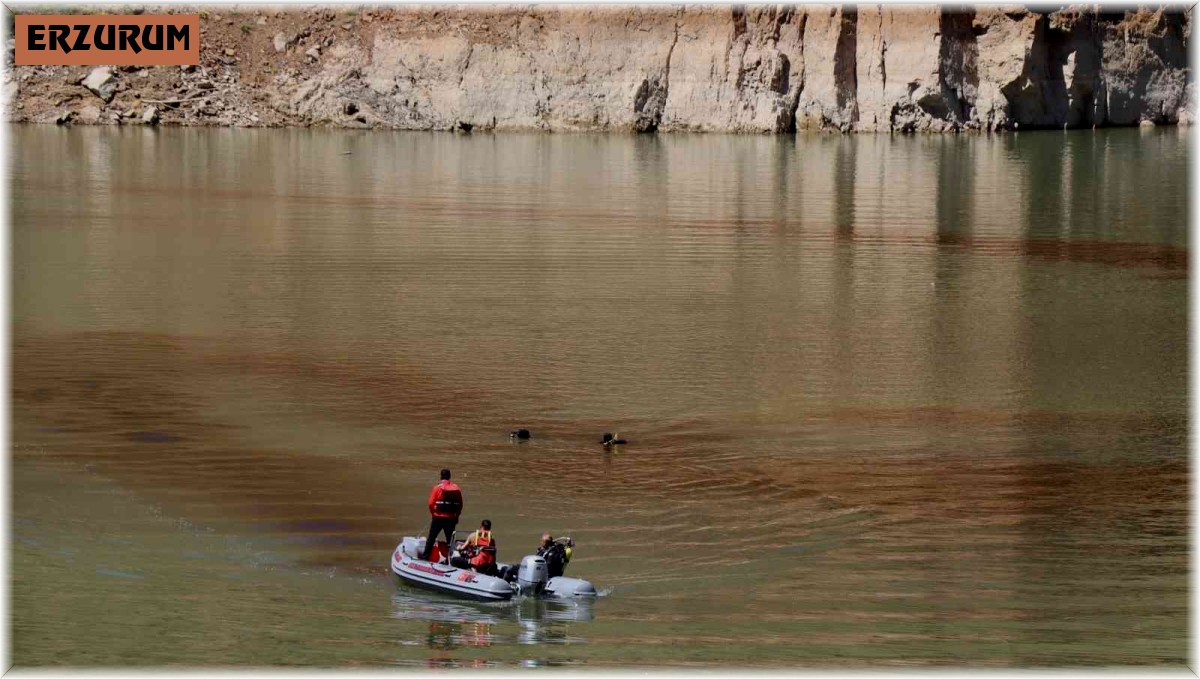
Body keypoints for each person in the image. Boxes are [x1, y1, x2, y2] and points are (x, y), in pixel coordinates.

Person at [422, 468, 463, 562]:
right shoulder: (456, 488)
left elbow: (431, 503)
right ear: (450, 477)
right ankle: (451, 560)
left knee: (431, 538)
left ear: (441, 476)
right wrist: (457, 516)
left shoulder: (437, 488)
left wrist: (433, 513)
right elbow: (460, 504)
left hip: (438, 517)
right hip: (451, 518)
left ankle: (425, 558)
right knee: (450, 541)